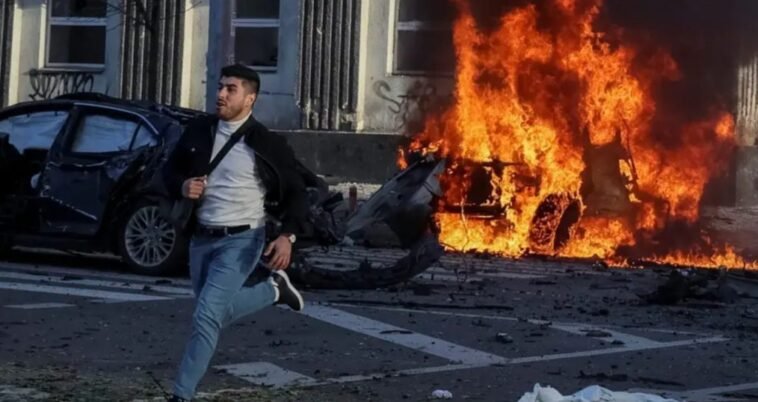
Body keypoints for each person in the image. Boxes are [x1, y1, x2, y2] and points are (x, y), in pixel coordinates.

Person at [162, 64, 309, 402]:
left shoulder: (267, 143)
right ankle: (272, 290)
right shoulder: (199, 130)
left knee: (205, 315)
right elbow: (168, 172)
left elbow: (297, 192)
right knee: (213, 314)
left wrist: (287, 236)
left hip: (242, 240)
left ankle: (182, 395)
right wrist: (182, 185)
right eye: (220, 87)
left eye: (231, 89)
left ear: (250, 98)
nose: (221, 95)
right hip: (201, 238)